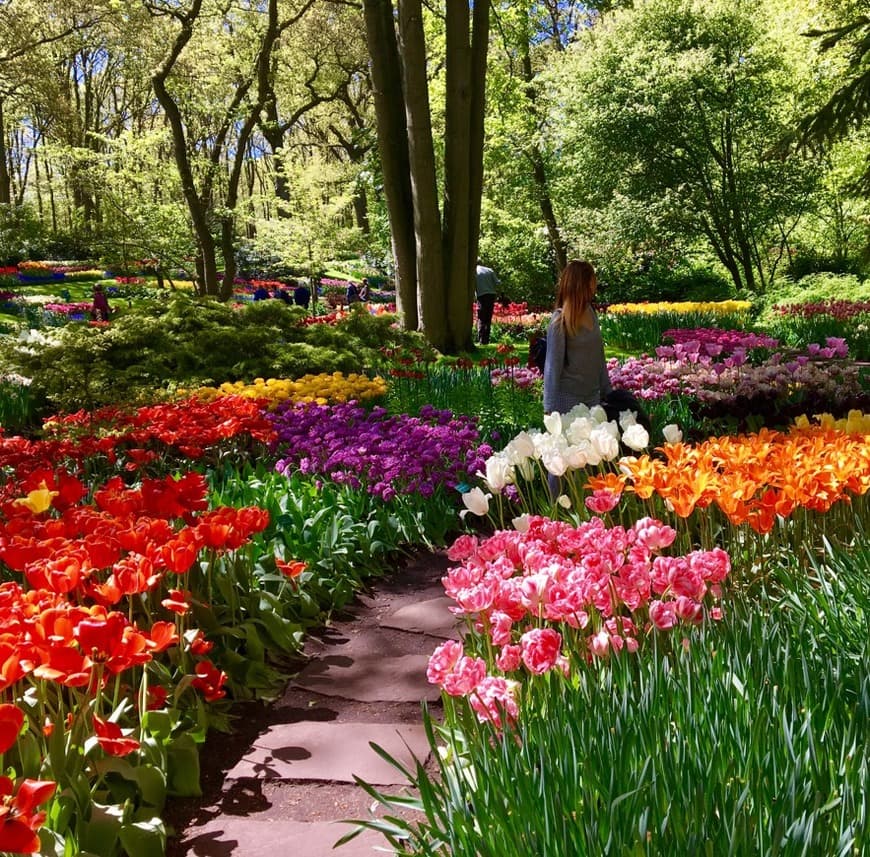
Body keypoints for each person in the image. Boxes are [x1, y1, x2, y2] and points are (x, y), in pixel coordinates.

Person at [543, 259, 611, 416]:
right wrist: (549, 408)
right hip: (568, 401)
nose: (596, 282)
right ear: (583, 283)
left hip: (593, 398)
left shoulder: (590, 312)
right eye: (593, 278)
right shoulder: (560, 321)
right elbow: (553, 367)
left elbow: (598, 356)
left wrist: (607, 390)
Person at [475, 259, 499, 344]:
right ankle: (486, 340)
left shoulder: (474, 272)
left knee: (481, 318)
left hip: (481, 296)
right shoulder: (489, 270)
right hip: (491, 295)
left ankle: (481, 340)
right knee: (488, 318)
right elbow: (497, 282)